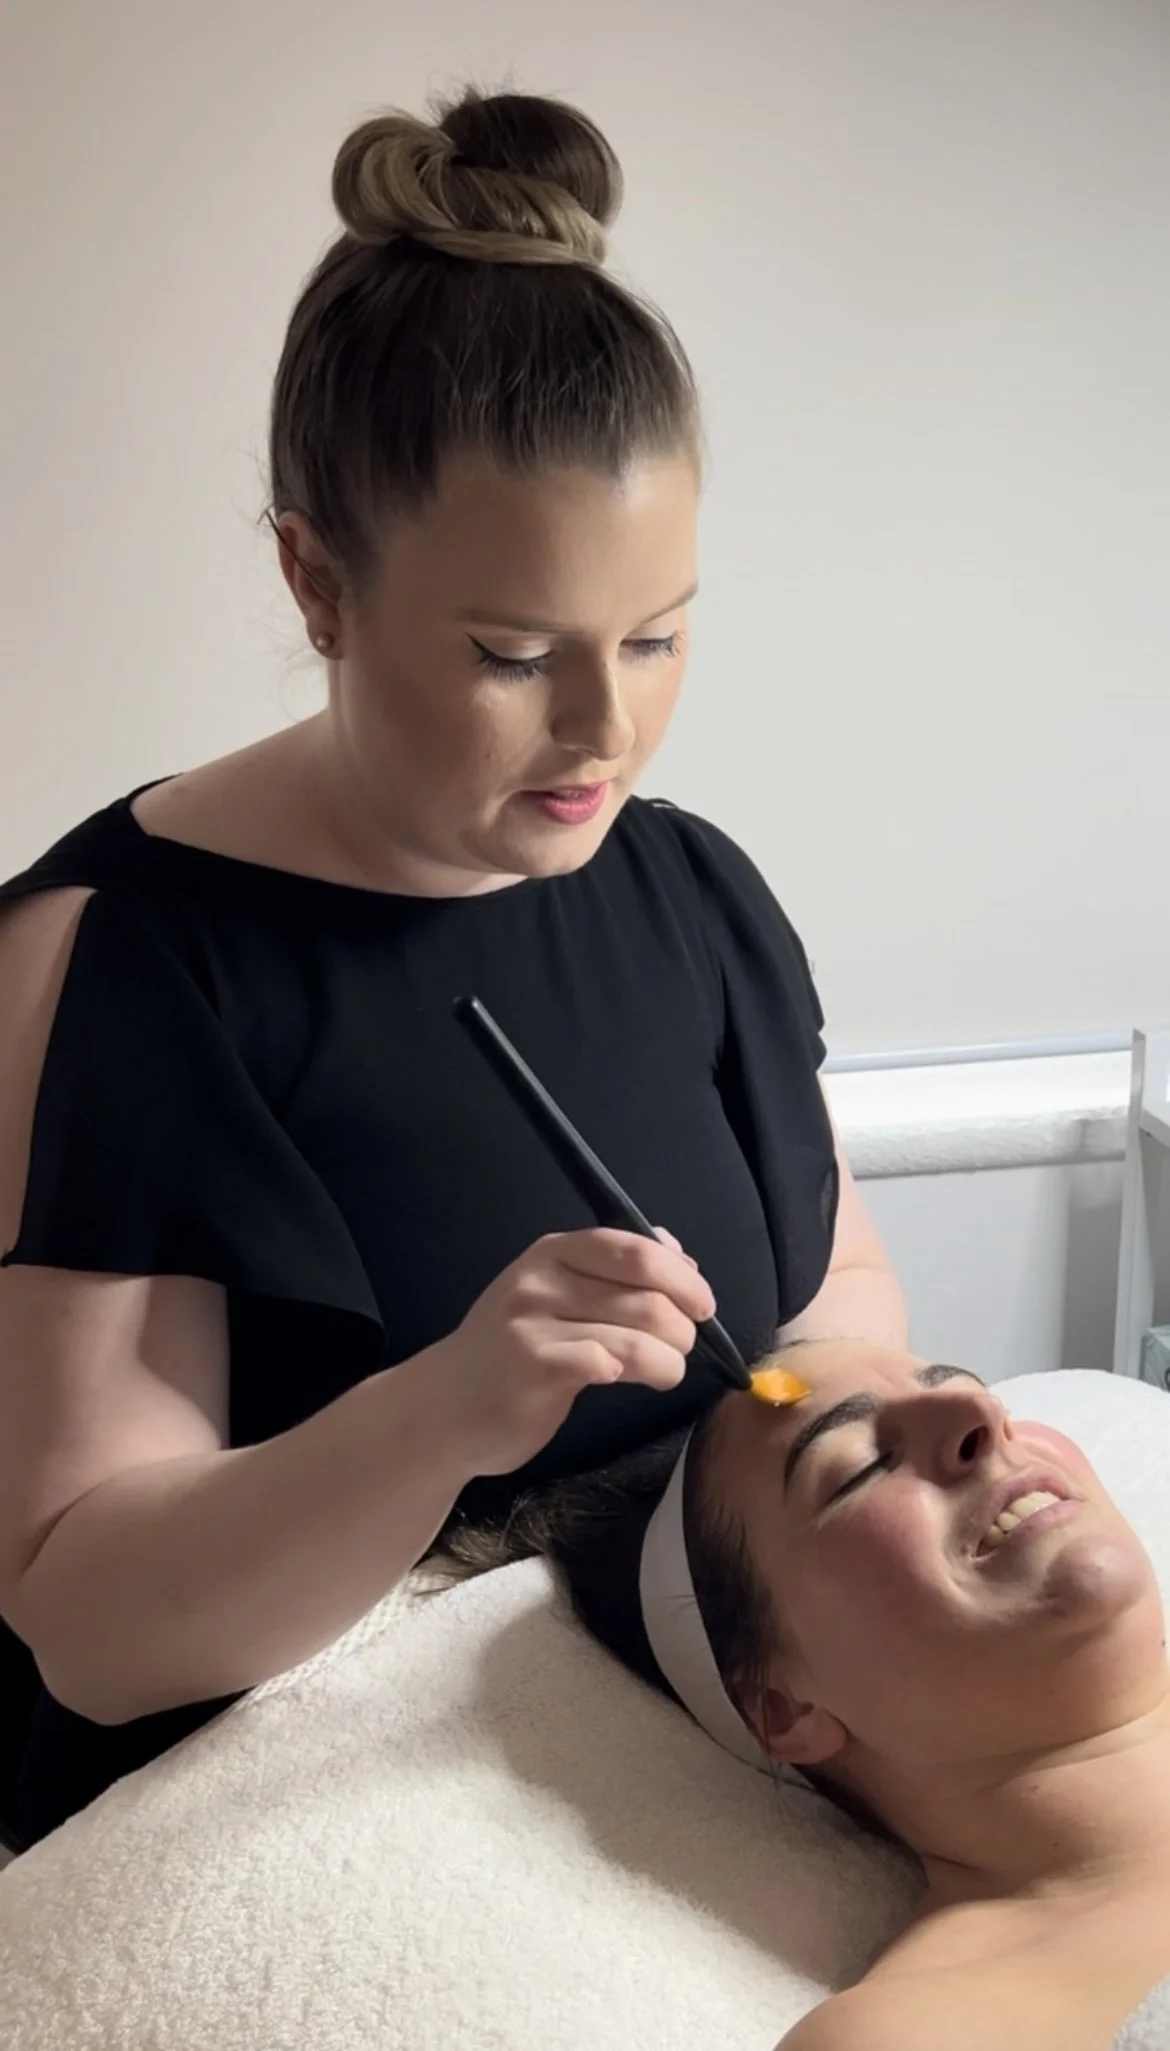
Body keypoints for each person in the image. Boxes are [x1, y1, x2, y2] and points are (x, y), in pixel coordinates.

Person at [0, 88, 905, 1849]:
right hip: (278, 1837)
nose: (605, 727)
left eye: (658, 634)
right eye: (514, 653)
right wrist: (442, 1415)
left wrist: (866, 1446)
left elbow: (834, 1290)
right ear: (315, 582)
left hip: (674, 1775)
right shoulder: (108, 965)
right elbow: (85, 1629)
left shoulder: (694, 891)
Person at [447, 1338, 1170, 2051]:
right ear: (783, 1706)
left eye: (972, 1381)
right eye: (862, 1468)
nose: (976, 1408)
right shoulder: (921, 2032)